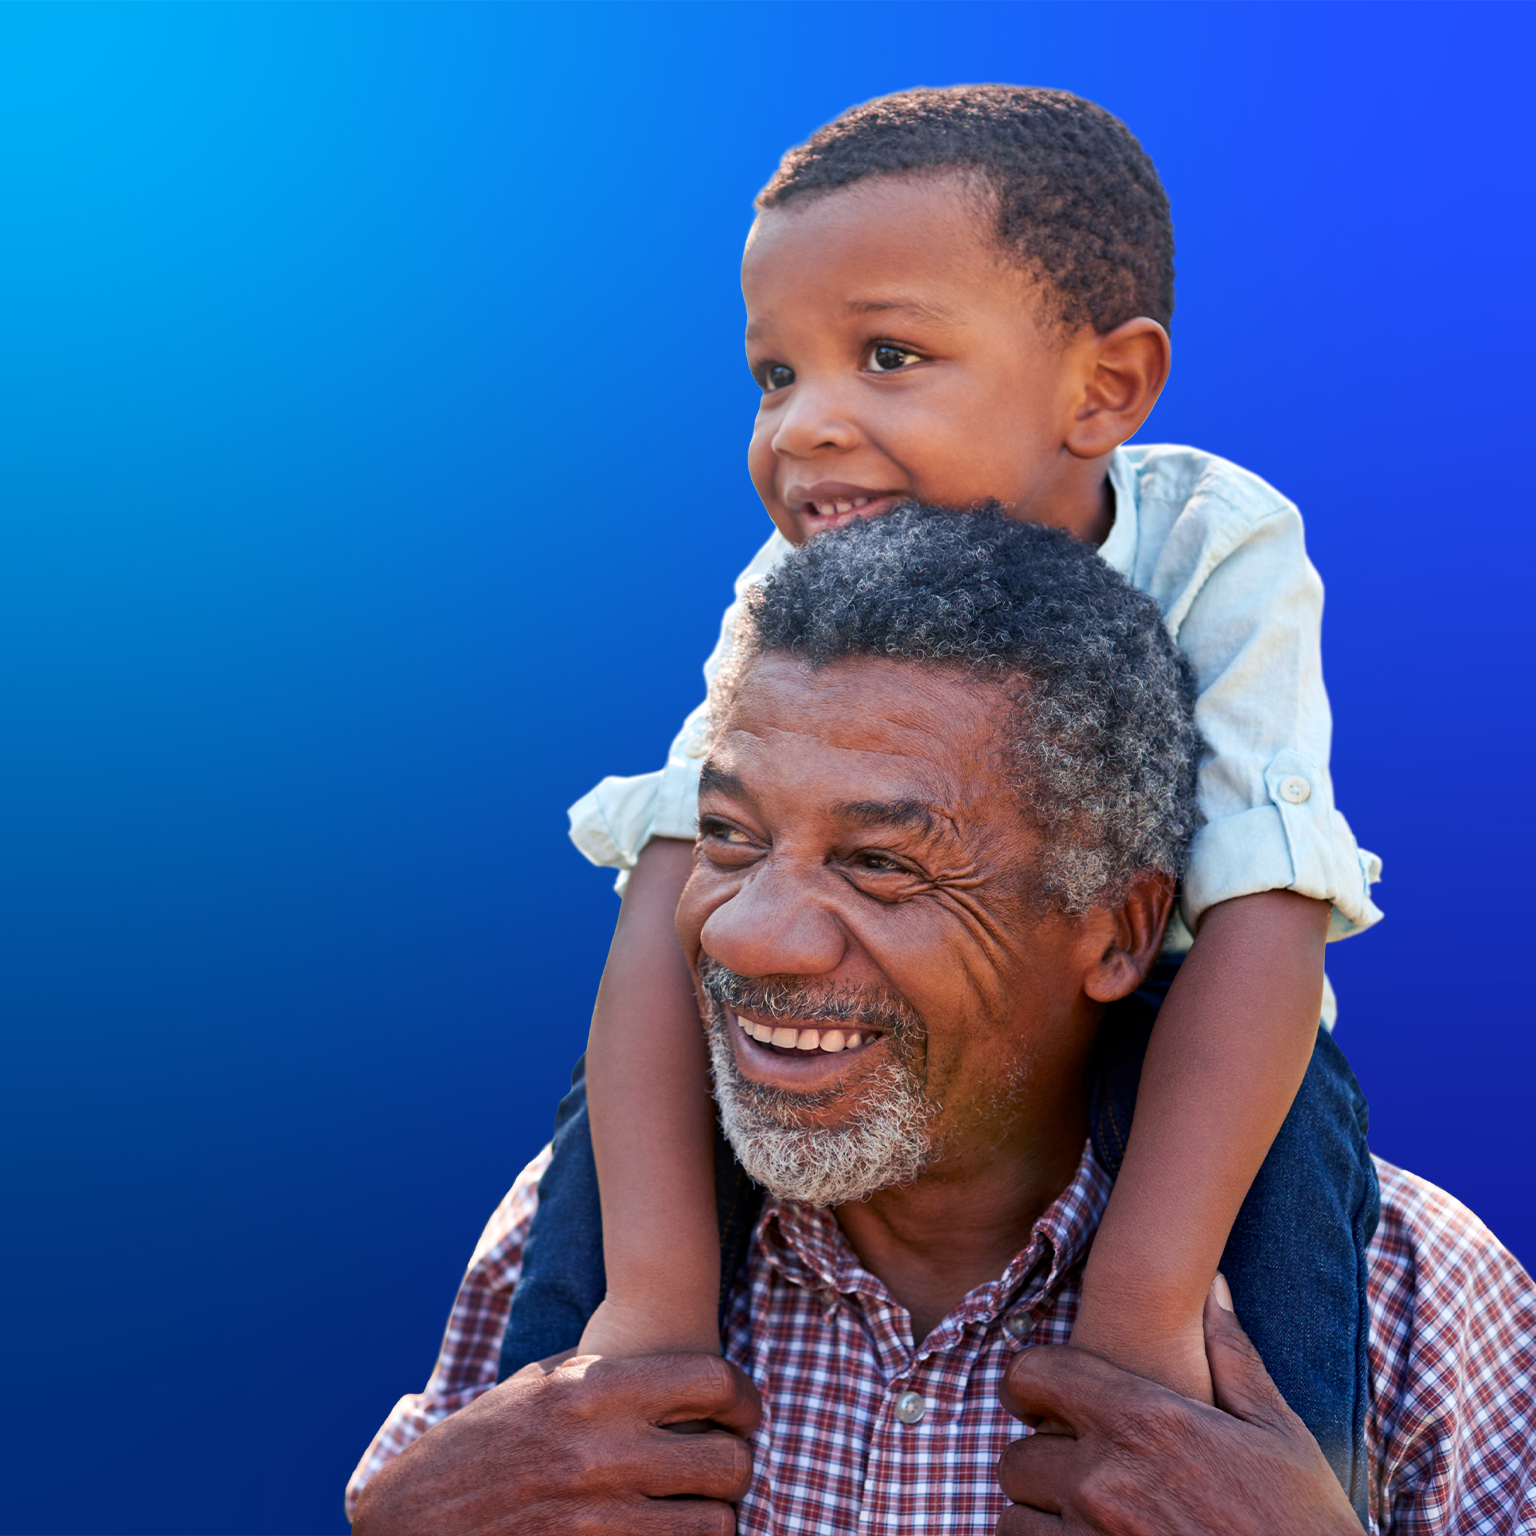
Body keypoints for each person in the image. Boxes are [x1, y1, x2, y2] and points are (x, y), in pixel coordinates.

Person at [500, 84, 1384, 1513]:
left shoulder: (1218, 544)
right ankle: (555, 1463)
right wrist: (649, 1305)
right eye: (774, 376)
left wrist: (1144, 1320)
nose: (807, 429)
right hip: (901, 1048)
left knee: (1287, 1228)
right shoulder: (792, 594)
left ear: (1103, 388)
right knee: (607, 1139)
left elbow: (1269, 916)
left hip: (1195, 1017)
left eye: (888, 355)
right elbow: (675, 877)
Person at [346, 508, 1536, 1534]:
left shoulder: (1409, 1297)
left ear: (1119, 933)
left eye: (879, 864)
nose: (749, 934)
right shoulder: (578, 1234)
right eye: (727, 838)